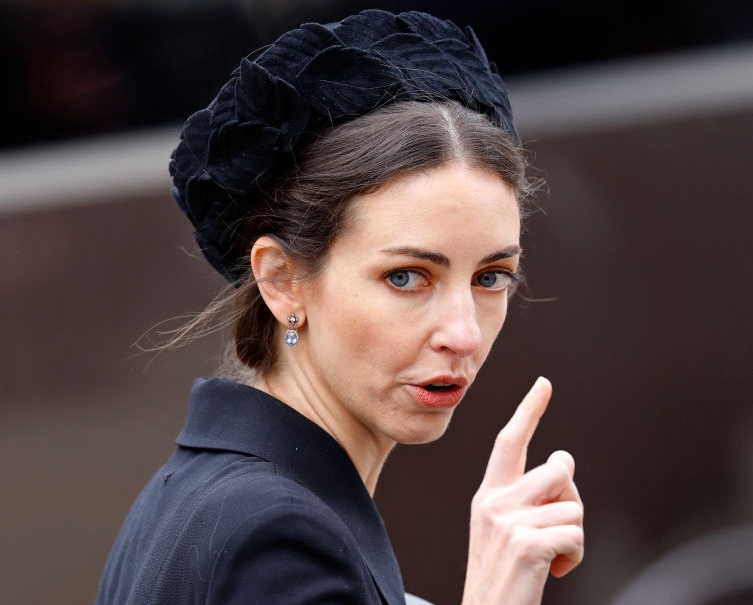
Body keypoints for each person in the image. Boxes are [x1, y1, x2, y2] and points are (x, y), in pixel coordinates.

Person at [96, 9, 584, 605]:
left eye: (491, 276)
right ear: (282, 282)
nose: (463, 334)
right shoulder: (274, 536)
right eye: (405, 276)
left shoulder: (213, 492)